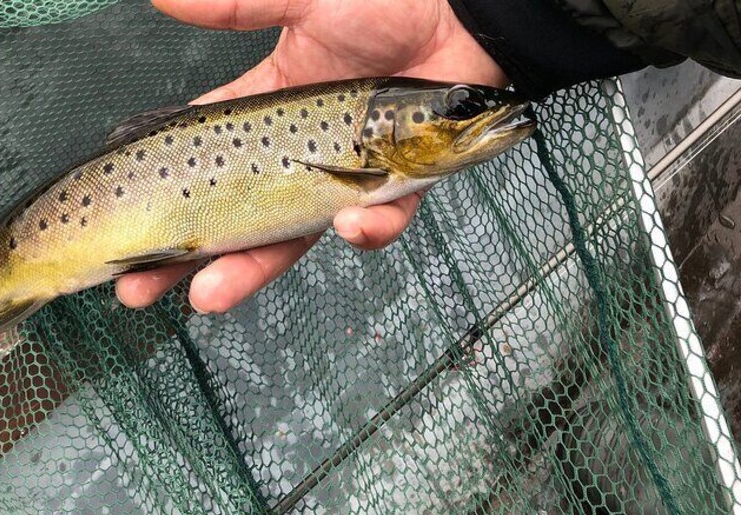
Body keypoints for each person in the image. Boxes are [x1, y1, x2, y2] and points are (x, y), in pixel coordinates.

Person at [115, 0, 741, 314]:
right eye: (460, 108)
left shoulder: (385, 151)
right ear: (386, 138)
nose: (481, 113)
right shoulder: (373, 158)